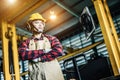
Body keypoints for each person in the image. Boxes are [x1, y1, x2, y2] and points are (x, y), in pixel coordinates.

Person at [18, 13, 65, 80]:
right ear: (29, 26)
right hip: (36, 75)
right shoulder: (26, 42)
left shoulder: (51, 39)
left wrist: (40, 59)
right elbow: (23, 54)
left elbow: (58, 51)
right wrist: (44, 51)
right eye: (36, 23)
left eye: (42, 23)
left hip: (53, 74)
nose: (40, 25)